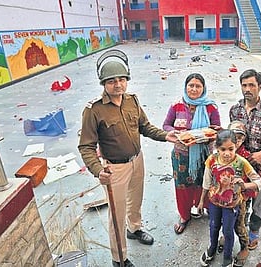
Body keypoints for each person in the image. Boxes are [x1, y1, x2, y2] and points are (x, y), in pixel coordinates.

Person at [78, 49, 178, 267]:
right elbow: (86, 146)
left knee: (135, 201)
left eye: (122, 79)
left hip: (137, 160)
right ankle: (119, 258)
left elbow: (145, 127)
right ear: (103, 83)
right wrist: (98, 170)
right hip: (114, 169)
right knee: (116, 215)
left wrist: (166, 136)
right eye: (112, 81)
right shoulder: (94, 110)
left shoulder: (132, 101)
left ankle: (135, 228)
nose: (118, 84)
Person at [163, 73, 221, 234]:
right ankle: (184, 215)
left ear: (203, 89)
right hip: (181, 155)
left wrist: (209, 133)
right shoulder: (176, 105)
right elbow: (166, 125)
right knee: (182, 187)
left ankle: (205, 207)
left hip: (204, 156)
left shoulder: (210, 107)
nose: (194, 89)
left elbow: (217, 129)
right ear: (185, 86)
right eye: (191, 85)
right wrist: (174, 132)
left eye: (198, 86)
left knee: (206, 184)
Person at [229, 69, 261, 250]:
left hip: (257, 167)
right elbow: (231, 136)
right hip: (236, 164)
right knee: (239, 197)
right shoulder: (234, 110)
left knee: (257, 200)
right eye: (244, 85)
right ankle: (237, 229)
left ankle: (254, 232)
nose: (247, 89)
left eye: (251, 85)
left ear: (260, 86)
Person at [198, 129, 261, 267]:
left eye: (231, 149)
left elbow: (259, 182)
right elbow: (207, 182)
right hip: (214, 202)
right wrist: (201, 201)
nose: (227, 153)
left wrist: (245, 185)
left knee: (228, 230)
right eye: (223, 149)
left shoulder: (241, 162)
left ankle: (227, 257)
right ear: (217, 148)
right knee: (213, 226)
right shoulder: (212, 160)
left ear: (236, 146)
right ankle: (212, 248)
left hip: (232, 205)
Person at [228, 120, 261, 266]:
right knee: (224, 222)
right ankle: (225, 238)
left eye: (240, 137)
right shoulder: (220, 154)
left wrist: (244, 186)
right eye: (233, 136)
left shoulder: (248, 158)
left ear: (244, 139)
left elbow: (258, 182)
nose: (236, 141)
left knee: (239, 225)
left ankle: (244, 248)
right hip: (222, 200)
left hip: (241, 200)